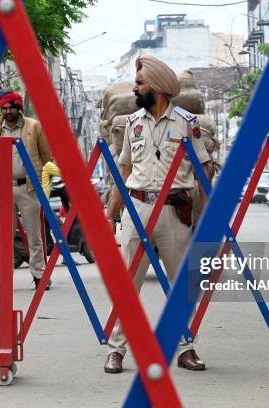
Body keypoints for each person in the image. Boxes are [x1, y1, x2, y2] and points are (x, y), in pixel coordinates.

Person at [103, 55, 211, 374]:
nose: (135, 89)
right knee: (128, 284)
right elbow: (124, 172)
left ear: (159, 88)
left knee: (180, 285)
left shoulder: (188, 123)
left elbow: (204, 169)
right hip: (137, 208)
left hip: (174, 212)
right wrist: (110, 214)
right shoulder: (132, 124)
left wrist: (210, 216)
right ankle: (116, 350)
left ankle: (185, 348)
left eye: (140, 83)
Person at [0, 90, 52, 292]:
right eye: (4, 109)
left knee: (34, 235)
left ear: (19, 107)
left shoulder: (34, 126)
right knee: (5, 237)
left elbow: (46, 155)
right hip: (5, 188)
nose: (7, 112)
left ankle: (40, 276)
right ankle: (3, 277)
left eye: (11, 108)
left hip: (28, 187)